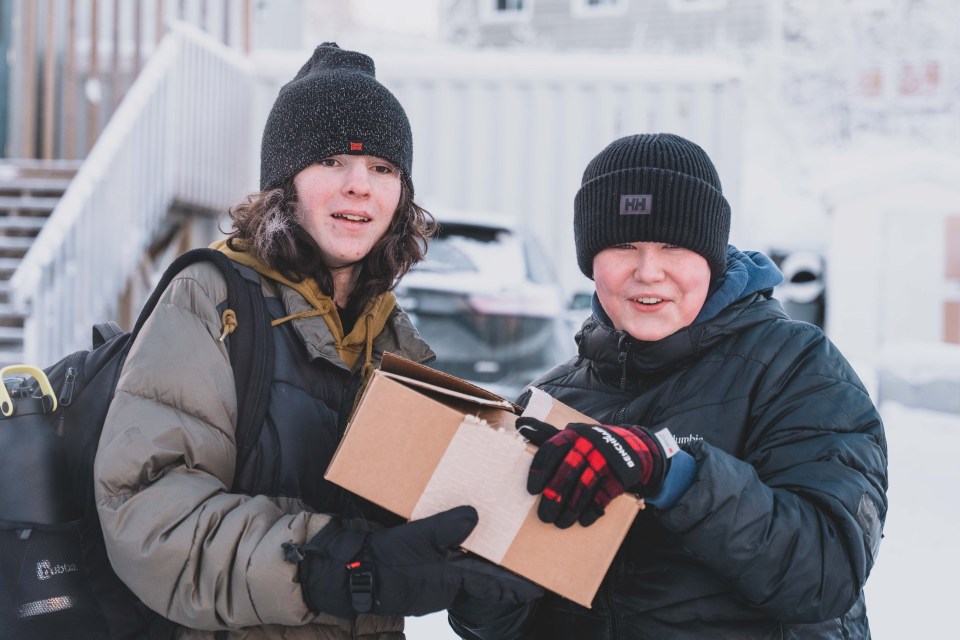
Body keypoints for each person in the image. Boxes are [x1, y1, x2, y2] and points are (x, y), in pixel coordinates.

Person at [93, 43, 539, 639]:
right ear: (285, 182)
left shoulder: (391, 336)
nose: (360, 186)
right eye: (332, 161)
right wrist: (340, 566)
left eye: (382, 168)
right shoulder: (213, 300)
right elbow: (151, 516)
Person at [449, 133, 888, 639]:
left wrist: (674, 473)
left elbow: (825, 574)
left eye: (673, 245)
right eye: (623, 245)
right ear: (590, 260)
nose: (648, 271)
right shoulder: (550, 402)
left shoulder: (797, 369)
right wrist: (482, 566)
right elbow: (494, 627)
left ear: (712, 256)